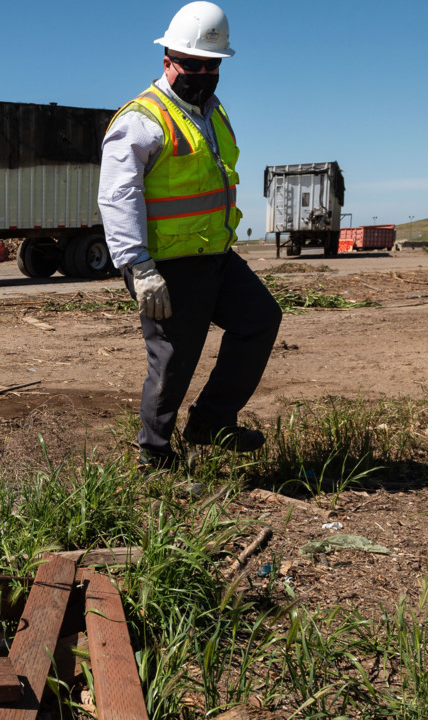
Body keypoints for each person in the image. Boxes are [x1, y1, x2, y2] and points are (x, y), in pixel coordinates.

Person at [97, 1, 281, 469]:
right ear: (168, 62)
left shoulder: (214, 113)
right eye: (192, 64)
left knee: (260, 319)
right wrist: (139, 268)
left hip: (215, 255)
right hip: (166, 266)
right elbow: (118, 198)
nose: (202, 73)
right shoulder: (141, 119)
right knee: (175, 359)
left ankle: (210, 424)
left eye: (212, 65)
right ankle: (154, 457)